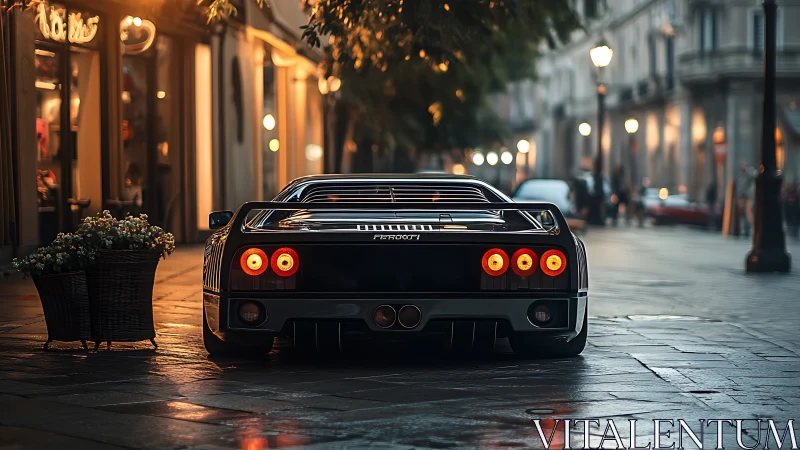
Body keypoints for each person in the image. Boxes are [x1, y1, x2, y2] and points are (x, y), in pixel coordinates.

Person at [736, 163, 756, 237]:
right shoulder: (743, 176)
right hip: (746, 196)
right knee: (746, 213)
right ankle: (746, 229)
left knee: (749, 213)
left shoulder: (750, 173)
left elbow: (752, 175)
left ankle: (751, 228)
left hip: (749, 197)